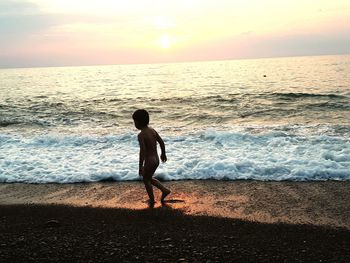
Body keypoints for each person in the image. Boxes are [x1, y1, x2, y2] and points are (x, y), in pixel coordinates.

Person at [132, 109, 171, 206]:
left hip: (149, 161)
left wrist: (140, 165)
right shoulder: (152, 130)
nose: (134, 124)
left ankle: (152, 199)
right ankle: (164, 190)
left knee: (146, 180)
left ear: (139, 122)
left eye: (134, 121)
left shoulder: (141, 135)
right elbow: (161, 142)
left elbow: (143, 151)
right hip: (156, 159)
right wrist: (163, 154)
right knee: (149, 178)